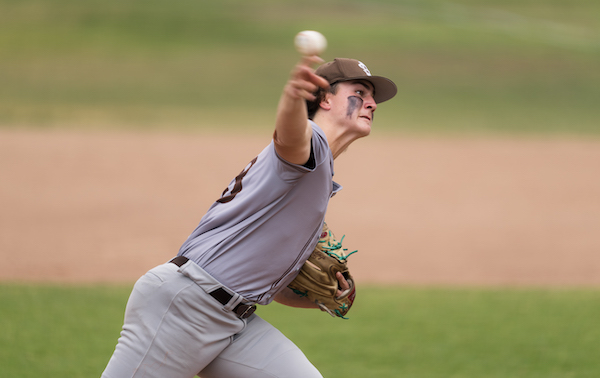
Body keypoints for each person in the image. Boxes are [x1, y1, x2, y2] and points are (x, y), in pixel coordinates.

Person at [101, 56, 397, 378]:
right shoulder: (312, 142)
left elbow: (268, 283)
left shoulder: (318, 171)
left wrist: (320, 298)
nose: (372, 104)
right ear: (324, 98)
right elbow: (288, 136)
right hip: (186, 307)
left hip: (233, 319)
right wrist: (292, 98)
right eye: (361, 92)